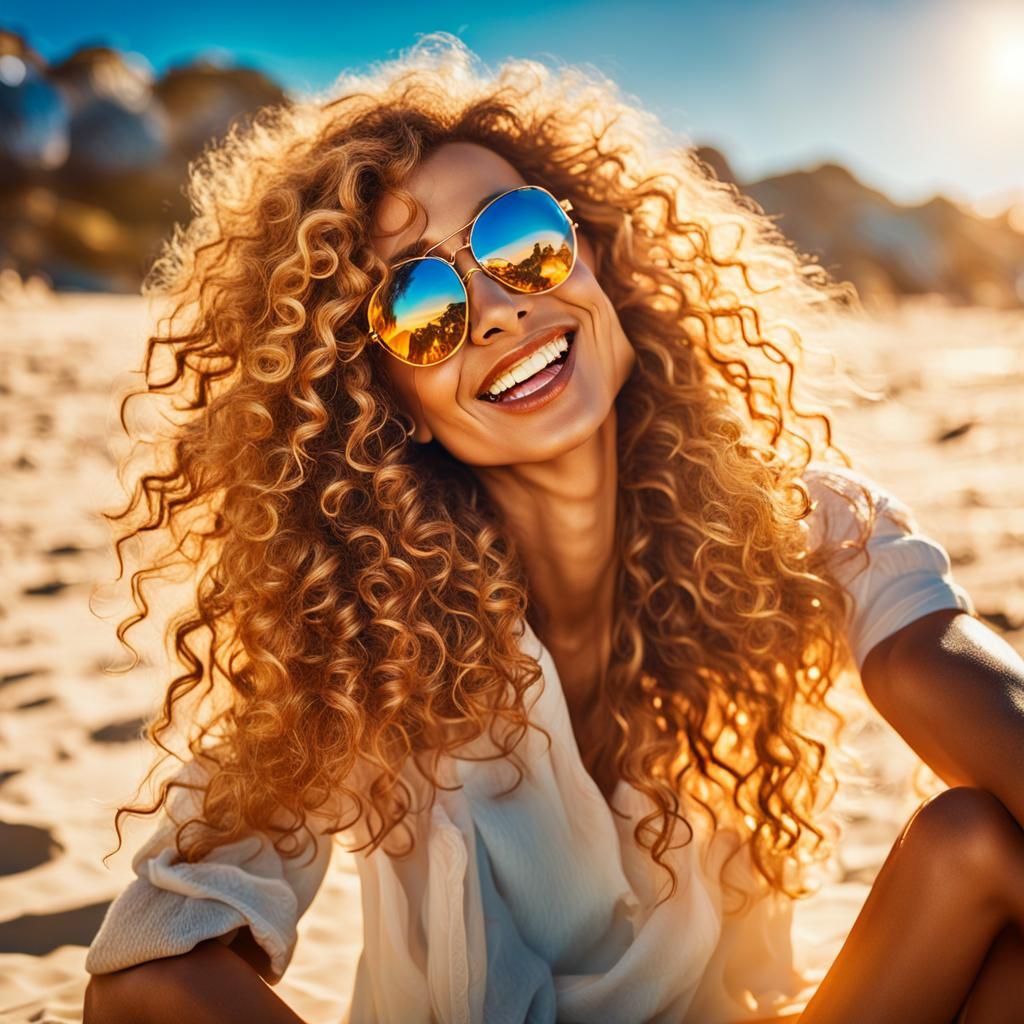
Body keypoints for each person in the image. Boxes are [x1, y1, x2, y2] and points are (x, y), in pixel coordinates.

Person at [82, 35, 1024, 1024]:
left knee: (975, 841)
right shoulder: (359, 636)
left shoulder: (797, 524)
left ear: (599, 255)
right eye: (419, 303)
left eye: (520, 240)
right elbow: (148, 977)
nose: (495, 310)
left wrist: (917, 672)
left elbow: (946, 670)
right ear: (387, 398)